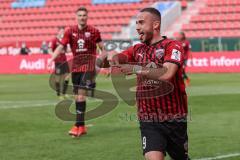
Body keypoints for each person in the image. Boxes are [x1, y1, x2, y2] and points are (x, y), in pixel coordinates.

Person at [101, 7, 190, 160]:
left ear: (155, 25)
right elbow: (116, 60)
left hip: (174, 118)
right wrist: (109, 57)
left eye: (141, 23)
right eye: (136, 23)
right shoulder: (137, 49)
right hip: (148, 119)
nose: (137, 27)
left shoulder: (172, 46)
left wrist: (135, 68)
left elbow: (167, 73)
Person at [48, 7, 105, 137]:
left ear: (87, 16)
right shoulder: (70, 31)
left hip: (89, 67)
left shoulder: (94, 31)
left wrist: (105, 65)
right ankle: (82, 126)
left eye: (84, 15)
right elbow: (61, 47)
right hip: (76, 68)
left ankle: (77, 125)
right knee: (77, 97)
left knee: (80, 95)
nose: (82, 17)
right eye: (79, 15)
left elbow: (103, 49)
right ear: (76, 17)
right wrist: (51, 59)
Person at [48, 27, 70, 99]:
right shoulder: (54, 40)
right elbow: (49, 50)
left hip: (64, 61)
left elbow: (67, 50)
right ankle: (58, 93)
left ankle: (64, 93)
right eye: (61, 32)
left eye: (63, 32)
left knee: (67, 77)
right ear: (58, 32)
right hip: (58, 62)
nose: (62, 33)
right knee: (58, 78)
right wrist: (54, 55)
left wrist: (70, 47)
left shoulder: (65, 40)